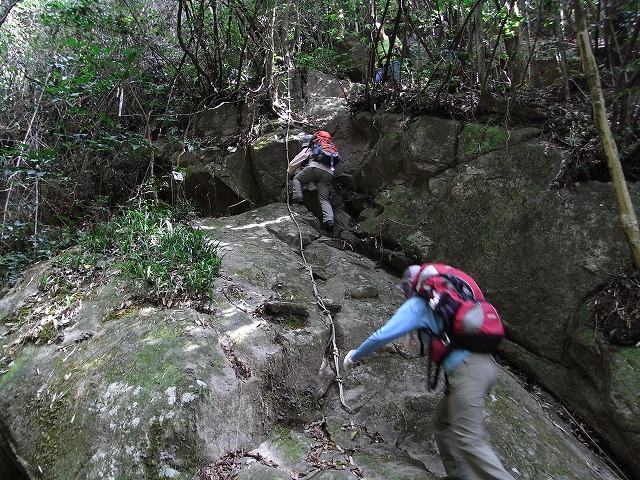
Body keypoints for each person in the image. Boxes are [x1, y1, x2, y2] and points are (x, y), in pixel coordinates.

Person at [343, 264, 514, 480]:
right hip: (484, 367)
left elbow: (381, 335)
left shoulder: (418, 304)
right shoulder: (454, 296)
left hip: (468, 373)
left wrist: (353, 356)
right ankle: (460, 476)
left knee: (470, 440)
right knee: (442, 422)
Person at [287, 132, 337, 231]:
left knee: (297, 179)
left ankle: (298, 198)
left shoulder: (311, 148)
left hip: (314, 168)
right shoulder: (329, 149)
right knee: (324, 199)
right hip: (329, 173)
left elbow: (292, 164)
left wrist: (290, 173)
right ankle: (329, 221)